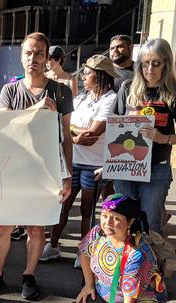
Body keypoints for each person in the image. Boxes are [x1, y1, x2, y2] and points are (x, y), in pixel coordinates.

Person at [0, 32, 73, 300]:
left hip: (46, 171)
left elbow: (66, 137)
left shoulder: (61, 91)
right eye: (28, 53)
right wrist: (38, 109)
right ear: (21, 57)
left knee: (35, 228)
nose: (33, 58)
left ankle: (29, 276)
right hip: (12, 170)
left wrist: (68, 176)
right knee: (2, 226)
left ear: (47, 57)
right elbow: (4, 124)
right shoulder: (10, 90)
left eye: (39, 53)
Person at [73, 194, 167, 303]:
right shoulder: (98, 232)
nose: (107, 223)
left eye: (115, 218)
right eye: (104, 215)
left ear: (130, 222)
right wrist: (88, 285)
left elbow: (130, 302)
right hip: (107, 291)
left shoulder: (137, 254)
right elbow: (84, 253)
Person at [41, 55, 118, 262]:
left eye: (88, 72)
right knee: (63, 205)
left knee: (87, 210)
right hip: (73, 161)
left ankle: (83, 253)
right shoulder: (82, 97)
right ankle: (53, 245)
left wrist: (71, 132)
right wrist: (75, 133)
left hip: (95, 164)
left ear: (100, 75)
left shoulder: (111, 99)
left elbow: (92, 135)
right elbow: (65, 124)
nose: (83, 76)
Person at [112, 38, 176, 235]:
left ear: (166, 63)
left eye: (156, 63)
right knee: (122, 220)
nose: (150, 69)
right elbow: (113, 126)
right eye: (145, 63)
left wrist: (163, 138)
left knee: (150, 223)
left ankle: (148, 265)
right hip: (126, 165)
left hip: (157, 167)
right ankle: (124, 264)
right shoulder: (127, 88)